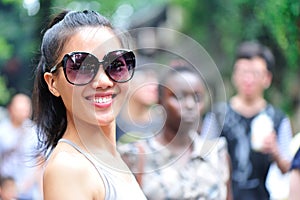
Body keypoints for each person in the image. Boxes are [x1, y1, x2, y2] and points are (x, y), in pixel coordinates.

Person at [32, 10, 146, 199]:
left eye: (116, 64)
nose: (104, 81)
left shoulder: (111, 158)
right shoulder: (69, 168)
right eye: (81, 67)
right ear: (53, 83)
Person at [118, 65, 232, 199]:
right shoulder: (135, 156)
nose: (190, 105)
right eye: (179, 97)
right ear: (160, 100)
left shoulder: (217, 154)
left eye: (197, 97)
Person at [208, 41, 293, 200]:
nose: (248, 79)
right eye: (243, 72)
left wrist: (275, 152)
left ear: (267, 78)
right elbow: (201, 160)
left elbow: (289, 168)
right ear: (234, 75)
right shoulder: (218, 115)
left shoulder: (277, 118)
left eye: (254, 73)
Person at [0, 93, 42, 200]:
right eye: (20, 109)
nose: (24, 112)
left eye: (26, 109)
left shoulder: (35, 132)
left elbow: (41, 160)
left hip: (29, 191)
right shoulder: (2, 131)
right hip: (5, 190)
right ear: (11, 109)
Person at [116, 66, 162, 142]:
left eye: (155, 80)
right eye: (145, 80)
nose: (154, 87)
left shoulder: (161, 123)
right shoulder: (112, 120)